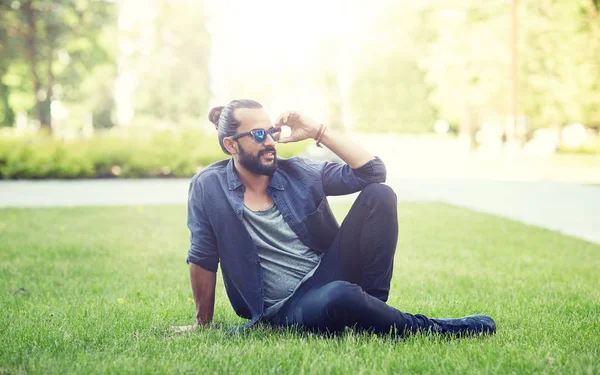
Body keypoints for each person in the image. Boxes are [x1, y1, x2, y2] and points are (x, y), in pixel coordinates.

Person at [174, 99, 496, 337]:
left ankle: (372, 312)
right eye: (259, 135)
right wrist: (202, 323)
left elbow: (372, 172)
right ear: (231, 144)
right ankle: (434, 329)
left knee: (379, 195)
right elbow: (202, 256)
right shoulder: (208, 187)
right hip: (287, 308)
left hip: (327, 273)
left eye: (271, 131)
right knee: (339, 295)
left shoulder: (296, 172)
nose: (270, 142)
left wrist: (318, 131)